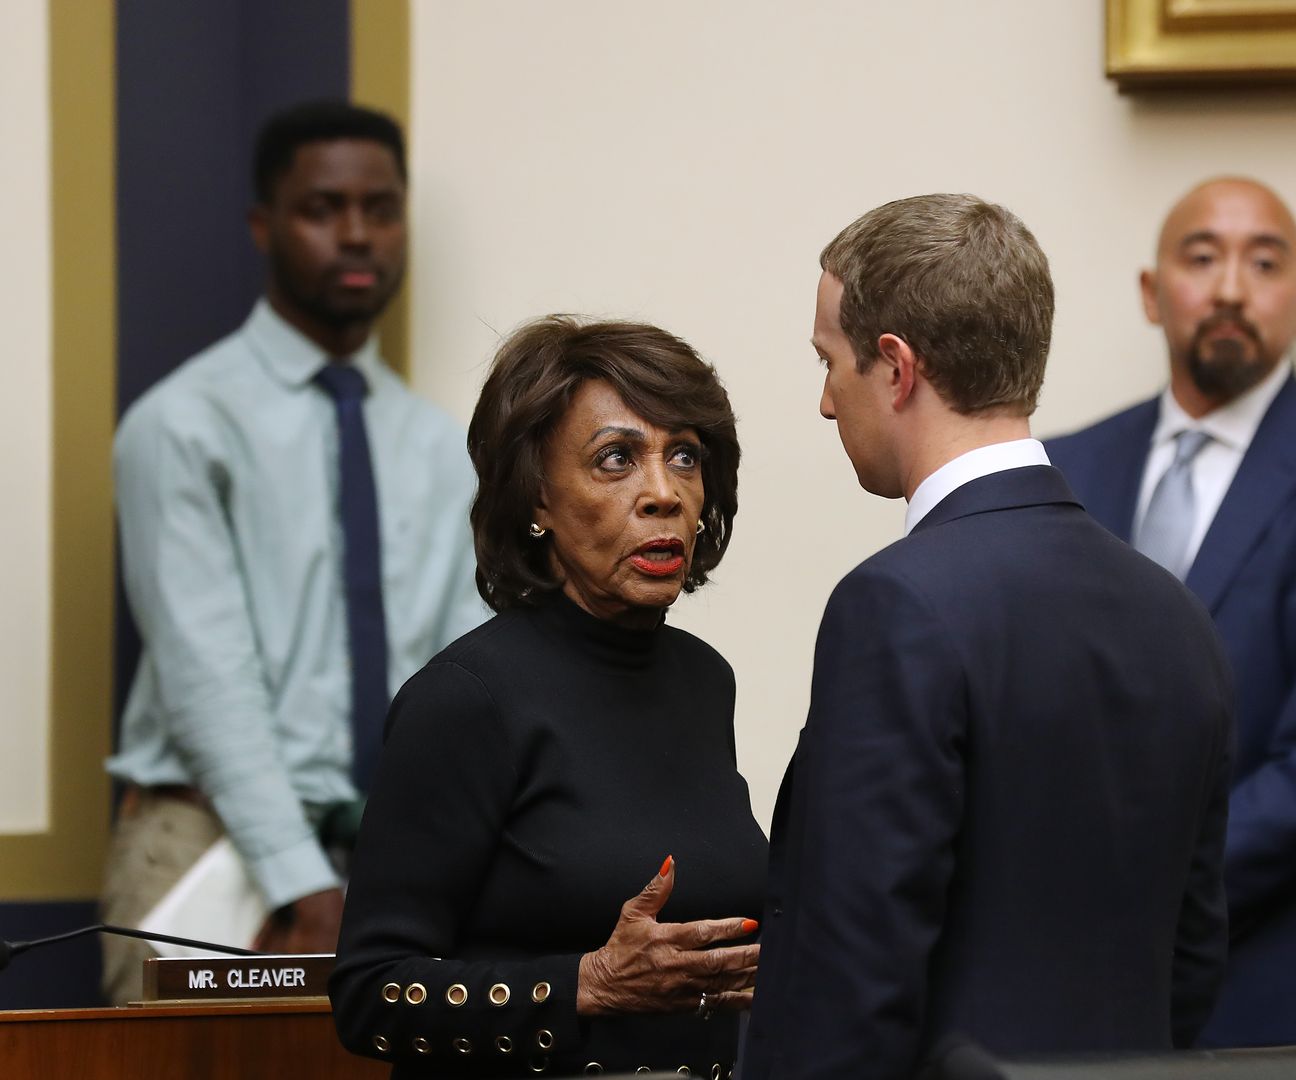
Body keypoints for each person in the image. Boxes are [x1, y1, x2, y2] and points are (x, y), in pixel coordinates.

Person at [742, 194, 1236, 1080]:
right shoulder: (1176, 615)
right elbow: (1192, 955)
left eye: (830, 362)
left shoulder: (895, 604)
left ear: (897, 367)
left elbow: (856, 965)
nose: (824, 402)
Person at [101, 101, 488, 1003]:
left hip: (391, 858)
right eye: (322, 209)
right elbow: (207, 677)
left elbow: (463, 677)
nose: (356, 235)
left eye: (381, 209)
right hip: (207, 847)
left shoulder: (441, 448)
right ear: (263, 226)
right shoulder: (181, 424)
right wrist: (300, 882)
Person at [1048, 177, 1296, 1046]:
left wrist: (1139, 889)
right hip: (1048, 966)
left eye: (1263, 263)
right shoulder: (1063, 468)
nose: (1229, 288)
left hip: (1255, 973)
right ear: (1152, 293)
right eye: (1201, 257)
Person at [330, 317, 766, 1077]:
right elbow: (370, 995)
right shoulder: (465, 700)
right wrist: (585, 985)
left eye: (685, 457)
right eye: (616, 459)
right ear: (537, 498)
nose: (663, 493)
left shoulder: (704, 680)